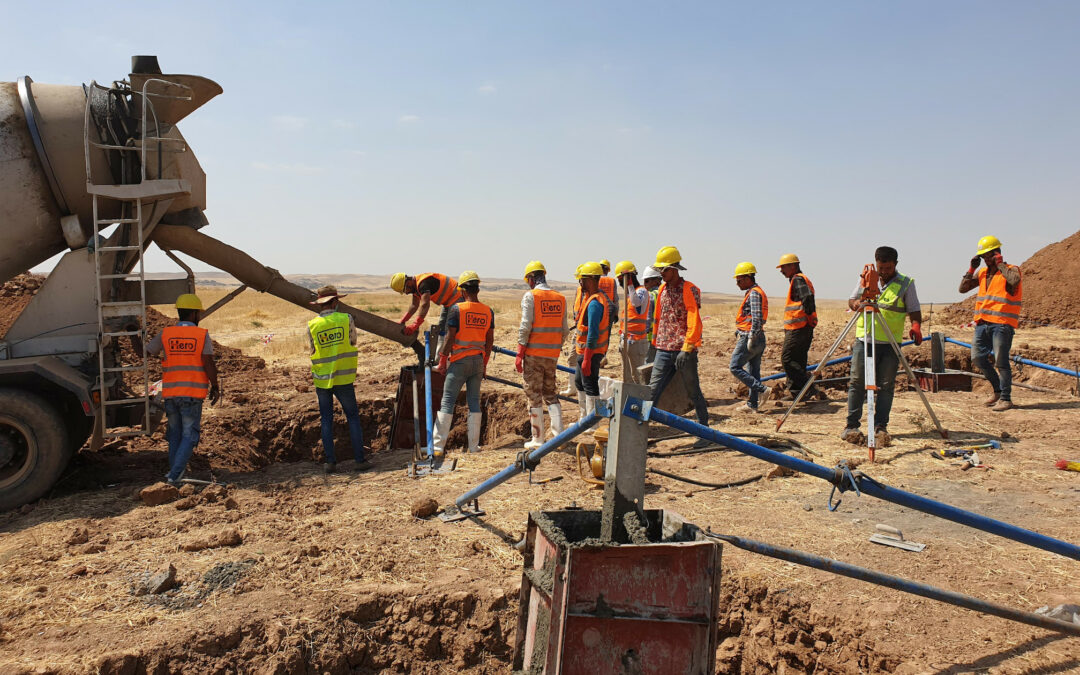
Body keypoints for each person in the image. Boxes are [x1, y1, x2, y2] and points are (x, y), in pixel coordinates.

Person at [842, 246, 923, 446]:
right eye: (881, 267)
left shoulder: (906, 283)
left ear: (895, 264)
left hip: (890, 343)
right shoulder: (867, 277)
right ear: (876, 263)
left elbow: (914, 309)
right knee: (857, 383)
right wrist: (857, 305)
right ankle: (852, 426)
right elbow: (852, 300)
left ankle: (880, 427)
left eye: (888, 267)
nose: (884, 271)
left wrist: (916, 326)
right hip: (865, 339)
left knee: (886, 386)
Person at [145, 293, 220, 485]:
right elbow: (207, 362)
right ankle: (174, 476)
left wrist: (133, 335)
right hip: (192, 395)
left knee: (175, 435)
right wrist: (215, 385)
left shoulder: (166, 333)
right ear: (195, 314)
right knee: (190, 435)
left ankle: (174, 473)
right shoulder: (201, 334)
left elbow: (145, 352)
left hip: (170, 394)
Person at [647, 246, 711, 447]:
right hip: (664, 349)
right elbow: (659, 318)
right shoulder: (663, 290)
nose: (661, 274)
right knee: (652, 391)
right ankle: (640, 431)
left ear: (674, 268)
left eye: (664, 270)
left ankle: (704, 432)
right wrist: (656, 343)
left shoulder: (689, 289)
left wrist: (688, 346)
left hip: (684, 350)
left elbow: (694, 320)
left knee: (693, 391)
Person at [306, 286, 371, 473]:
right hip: (344, 377)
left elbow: (312, 349)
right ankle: (359, 460)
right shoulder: (346, 319)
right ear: (334, 302)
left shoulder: (312, 325)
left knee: (326, 419)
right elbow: (353, 341)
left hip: (322, 379)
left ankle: (330, 463)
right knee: (352, 417)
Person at [433, 271, 494, 456]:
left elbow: (450, 337)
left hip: (459, 361)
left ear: (462, 290)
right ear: (477, 289)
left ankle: (437, 448)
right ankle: (474, 447)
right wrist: (484, 364)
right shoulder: (487, 311)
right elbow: (489, 341)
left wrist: (442, 360)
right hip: (477, 361)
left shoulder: (457, 309)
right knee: (474, 402)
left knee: (447, 402)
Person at [959, 235, 1022, 412]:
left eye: (988, 256)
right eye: (983, 256)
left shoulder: (1011, 270)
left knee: (1001, 362)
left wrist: (1000, 264)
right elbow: (962, 289)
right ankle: (997, 391)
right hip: (982, 323)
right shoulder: (983, 273)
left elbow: (1014, 281)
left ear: (996, 253)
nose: (986, 260)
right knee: (977, 358)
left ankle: (1006, 398)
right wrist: (972, 268)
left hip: (1002, 323)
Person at [515, 261, 568, 449]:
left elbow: (525, 326)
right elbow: (564, 330)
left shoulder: (531, 296)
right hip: (552, 355)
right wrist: (554, 347)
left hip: (534, 354)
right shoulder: (560, 298)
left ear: (531, 278)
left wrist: (520, 353)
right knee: (550, 393)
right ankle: (558, 437)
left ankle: (537, 439)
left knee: (533, 394)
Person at [729, 262, 773, 412]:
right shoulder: (756, 292)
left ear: (748, 278)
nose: (737, 283)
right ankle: (752, 404)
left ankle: (762, 389)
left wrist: (751, 337)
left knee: (734, 367)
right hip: (757, 336)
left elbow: (756, 317)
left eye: (739, 280)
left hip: (751, 337)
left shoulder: (754, 293)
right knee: (754, 371)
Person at [390, 273, 464, 355]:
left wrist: (415, 325)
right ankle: (440, 358)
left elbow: (425, 305)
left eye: (404, 290)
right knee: (441, 329)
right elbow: (414, 305)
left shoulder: (423, 283)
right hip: (448, 303)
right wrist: (403, 321)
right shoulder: (415, 288)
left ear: (408, 283)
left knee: (450, 330)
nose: (406, 293)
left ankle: (454, 357)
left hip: (457, 298)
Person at [777, 254, 818, 399]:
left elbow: (807, 298)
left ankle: (809, 387)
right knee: (798, 360)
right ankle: (797, 392)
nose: (781, 271)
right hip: (802, 327)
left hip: (799, 327)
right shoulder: (800, 279)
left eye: (783, 267)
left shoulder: (798, 279)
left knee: (787, 359)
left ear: (792, 266)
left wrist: (809, 316)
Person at [573, 262, 610, 415]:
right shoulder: (593, 299)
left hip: (591, 352)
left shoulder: (595, 303)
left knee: (590, 385)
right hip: (585, 351)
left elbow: (593, 334)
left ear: (589, 279)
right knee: (579, 382)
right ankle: (584, 418)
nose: (580, 282)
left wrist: (587, 359)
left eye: (581, 279)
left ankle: (593, 422)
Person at [614, 260, 651, 383]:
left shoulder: (642, 291)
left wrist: (629, 284)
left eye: (621, 280)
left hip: (637, 342)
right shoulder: (630, 294)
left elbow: (637, 304)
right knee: (627, 377)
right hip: (627, 340)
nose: (620, 283)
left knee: (638, 377)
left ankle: (642, 400)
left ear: (630, 277)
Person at [560, 265, 586, 396]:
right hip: (578, 329)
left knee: (577, 360)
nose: (580, 281)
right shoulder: (580, 290)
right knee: (573, 359)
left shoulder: (593, 296)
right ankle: (574, 388)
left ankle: (577, 389)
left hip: (584, 332)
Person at [642, 265, 663, 364]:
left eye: (647, 281)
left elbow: (648, 317)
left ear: (656, 281)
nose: (644, 284)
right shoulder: (665, 292)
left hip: (651, 335)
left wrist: (644, 332)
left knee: (648, 362)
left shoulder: (651, 295)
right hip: (663, 336)